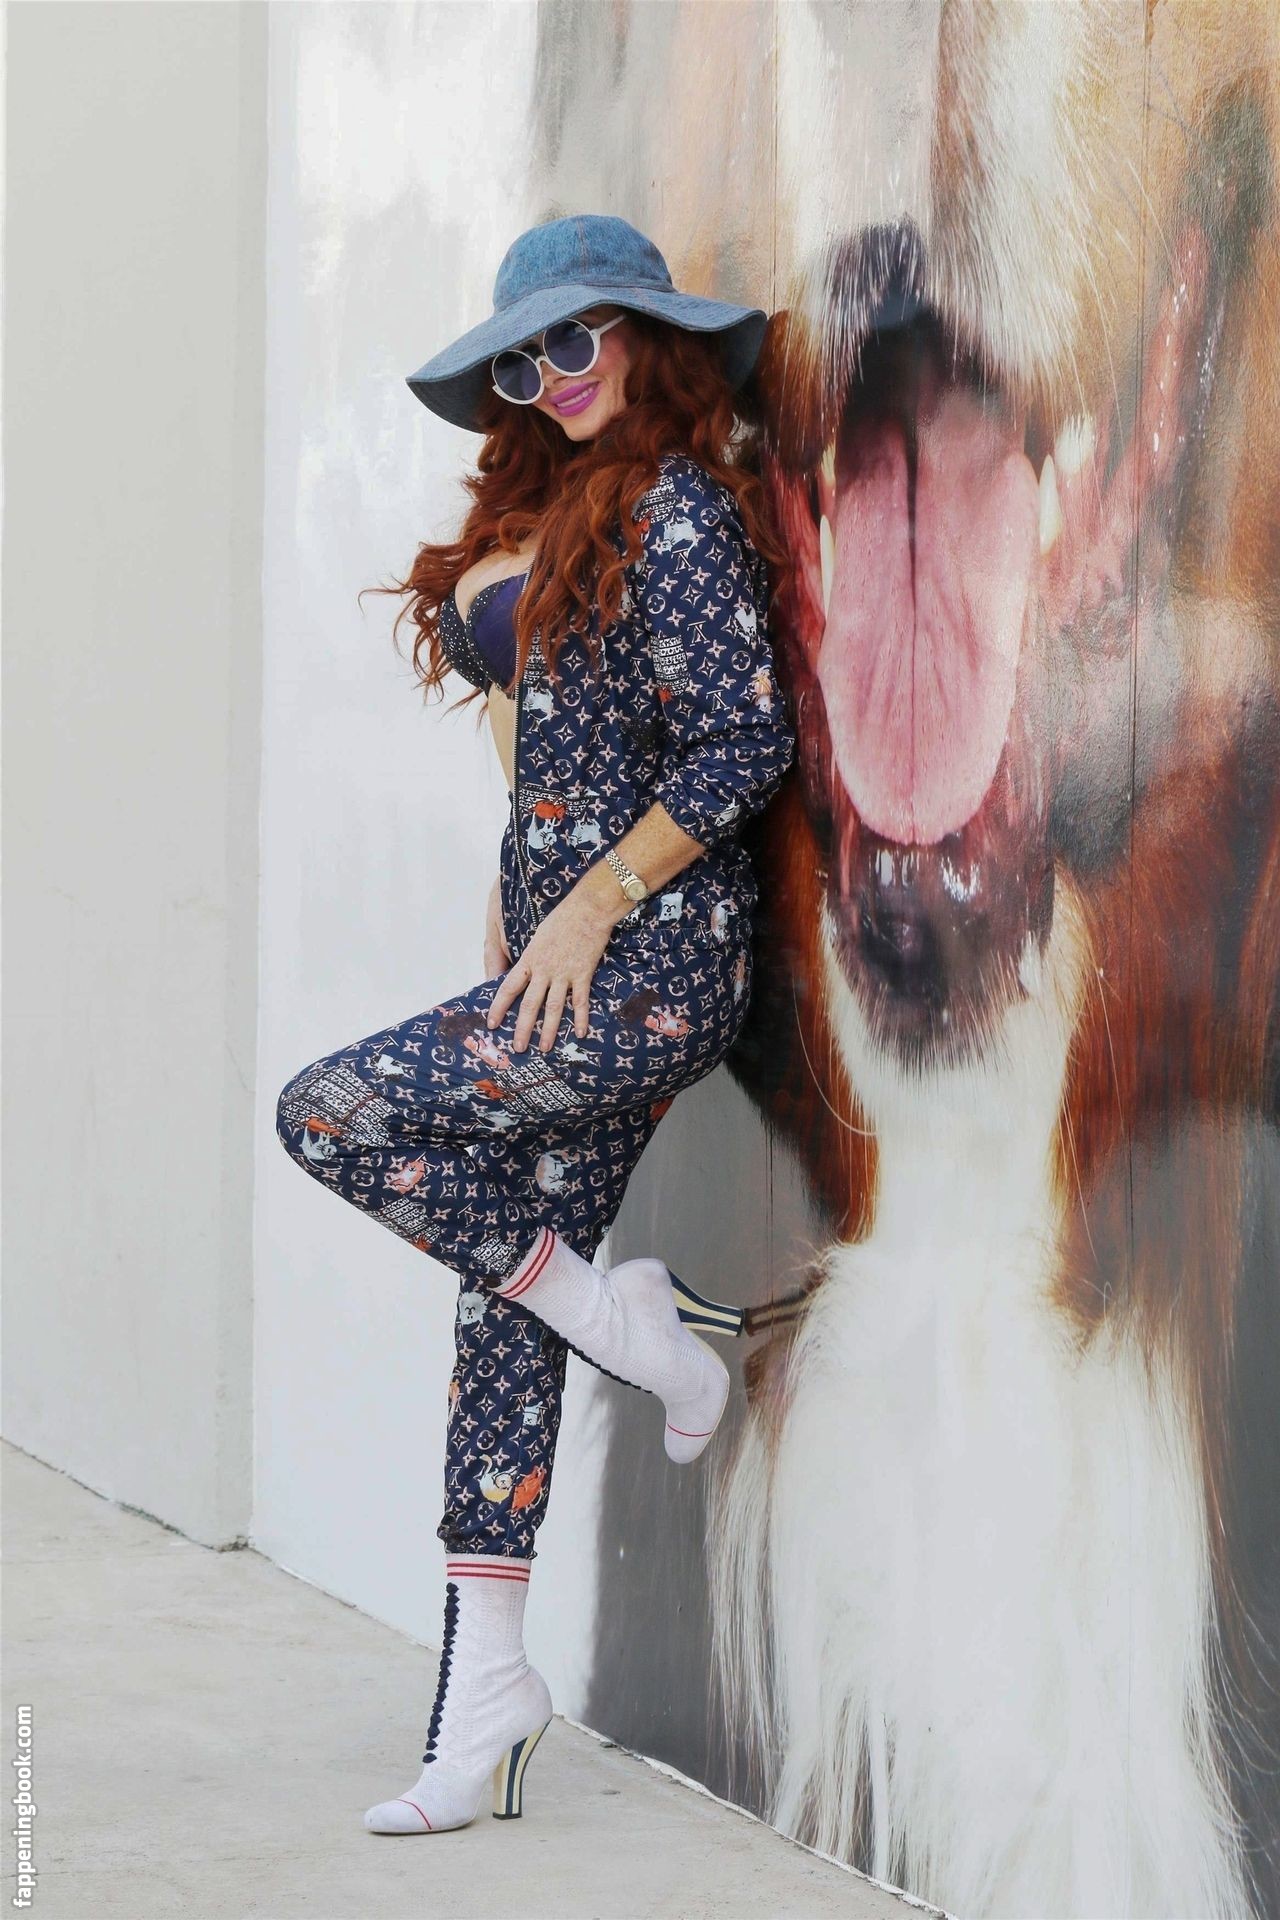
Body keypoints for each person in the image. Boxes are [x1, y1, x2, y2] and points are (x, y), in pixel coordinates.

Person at [274, 212, 796, 1837]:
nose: (552, 377)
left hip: (655, 967)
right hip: (560, 964)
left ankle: (637, 1327)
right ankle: (486, 1691)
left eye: (575, 341)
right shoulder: (550, 510)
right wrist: (522, 890)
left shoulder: (681, 512)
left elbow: (742, 747)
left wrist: (587, 903)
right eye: (522, 361)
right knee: (502, 1305)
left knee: (330, 1111)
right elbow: (543, 745)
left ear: (642, 335)